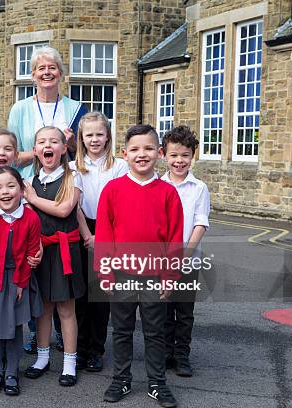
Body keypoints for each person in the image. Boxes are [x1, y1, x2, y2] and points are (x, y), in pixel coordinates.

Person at [95, 125, 183, 407]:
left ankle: (157, 383)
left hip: (154, 275)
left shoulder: (168, 193)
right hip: (121, 273)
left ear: (158, 153)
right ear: (125, 154)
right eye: (134, 149)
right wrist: (105, 271)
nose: (141, 154)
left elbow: (174, 238)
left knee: (155, 332)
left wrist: (170, 277)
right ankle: (121, 380)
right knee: (121, 330)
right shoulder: (113, 189)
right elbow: (106, 234)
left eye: (147, 149)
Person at [23, 126, 86, 387]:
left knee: (66, 310)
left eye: (54, 141)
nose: (47, 145)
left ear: (63, 149)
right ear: (36, 150)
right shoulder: (30, 180)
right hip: (39, 251)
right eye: (41, 142)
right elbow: (28, 220)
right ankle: (42, 357)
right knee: (43, 309)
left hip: (64, 252)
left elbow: (64, 210)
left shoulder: (74, 177)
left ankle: (70, 363)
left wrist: (33, 198)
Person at [0, 166, 44, 396]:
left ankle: (12, 373)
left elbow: (32, 253)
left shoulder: (31, 218)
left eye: (11, 186)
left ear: (22, 190)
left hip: (17, 280)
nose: (5, 192)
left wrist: (21, 283)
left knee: (15, 328)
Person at [69, 112, 128, 373]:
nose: (94, 139)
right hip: (82, 230)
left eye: (99, 134)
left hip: (110, 230)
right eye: (89, 135)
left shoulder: (119, 167)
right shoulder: (73, 167)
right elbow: (75, 206)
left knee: (101, 296)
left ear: (108, 136)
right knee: (80, 294)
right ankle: (80, 350)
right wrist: (87, 236)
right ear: (81, 138)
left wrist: (102, 238)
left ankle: (96, 350)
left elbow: (121, 207)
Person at [161, 125, 210, 378]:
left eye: (185, 155)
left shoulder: (199, 188)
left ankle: (182, 356)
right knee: (164, 309)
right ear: (164, 155)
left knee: (185, 312)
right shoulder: (157, 185)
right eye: (174, 155)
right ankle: (166, 352)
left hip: (188, 261)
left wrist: (185, 255)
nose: (179, 161)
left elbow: (200, 223)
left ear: (193, 156)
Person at [8, 46, 87, 180]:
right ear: (33, 75)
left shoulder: (76, 108)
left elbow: (88, 154)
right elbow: (11, 156)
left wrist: (72, 144)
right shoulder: (19, 109)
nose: (47, 72)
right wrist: (43, 151)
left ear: (60, 73)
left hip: (68, 184)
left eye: (52, 67)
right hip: (29, 184)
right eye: (41, 68)